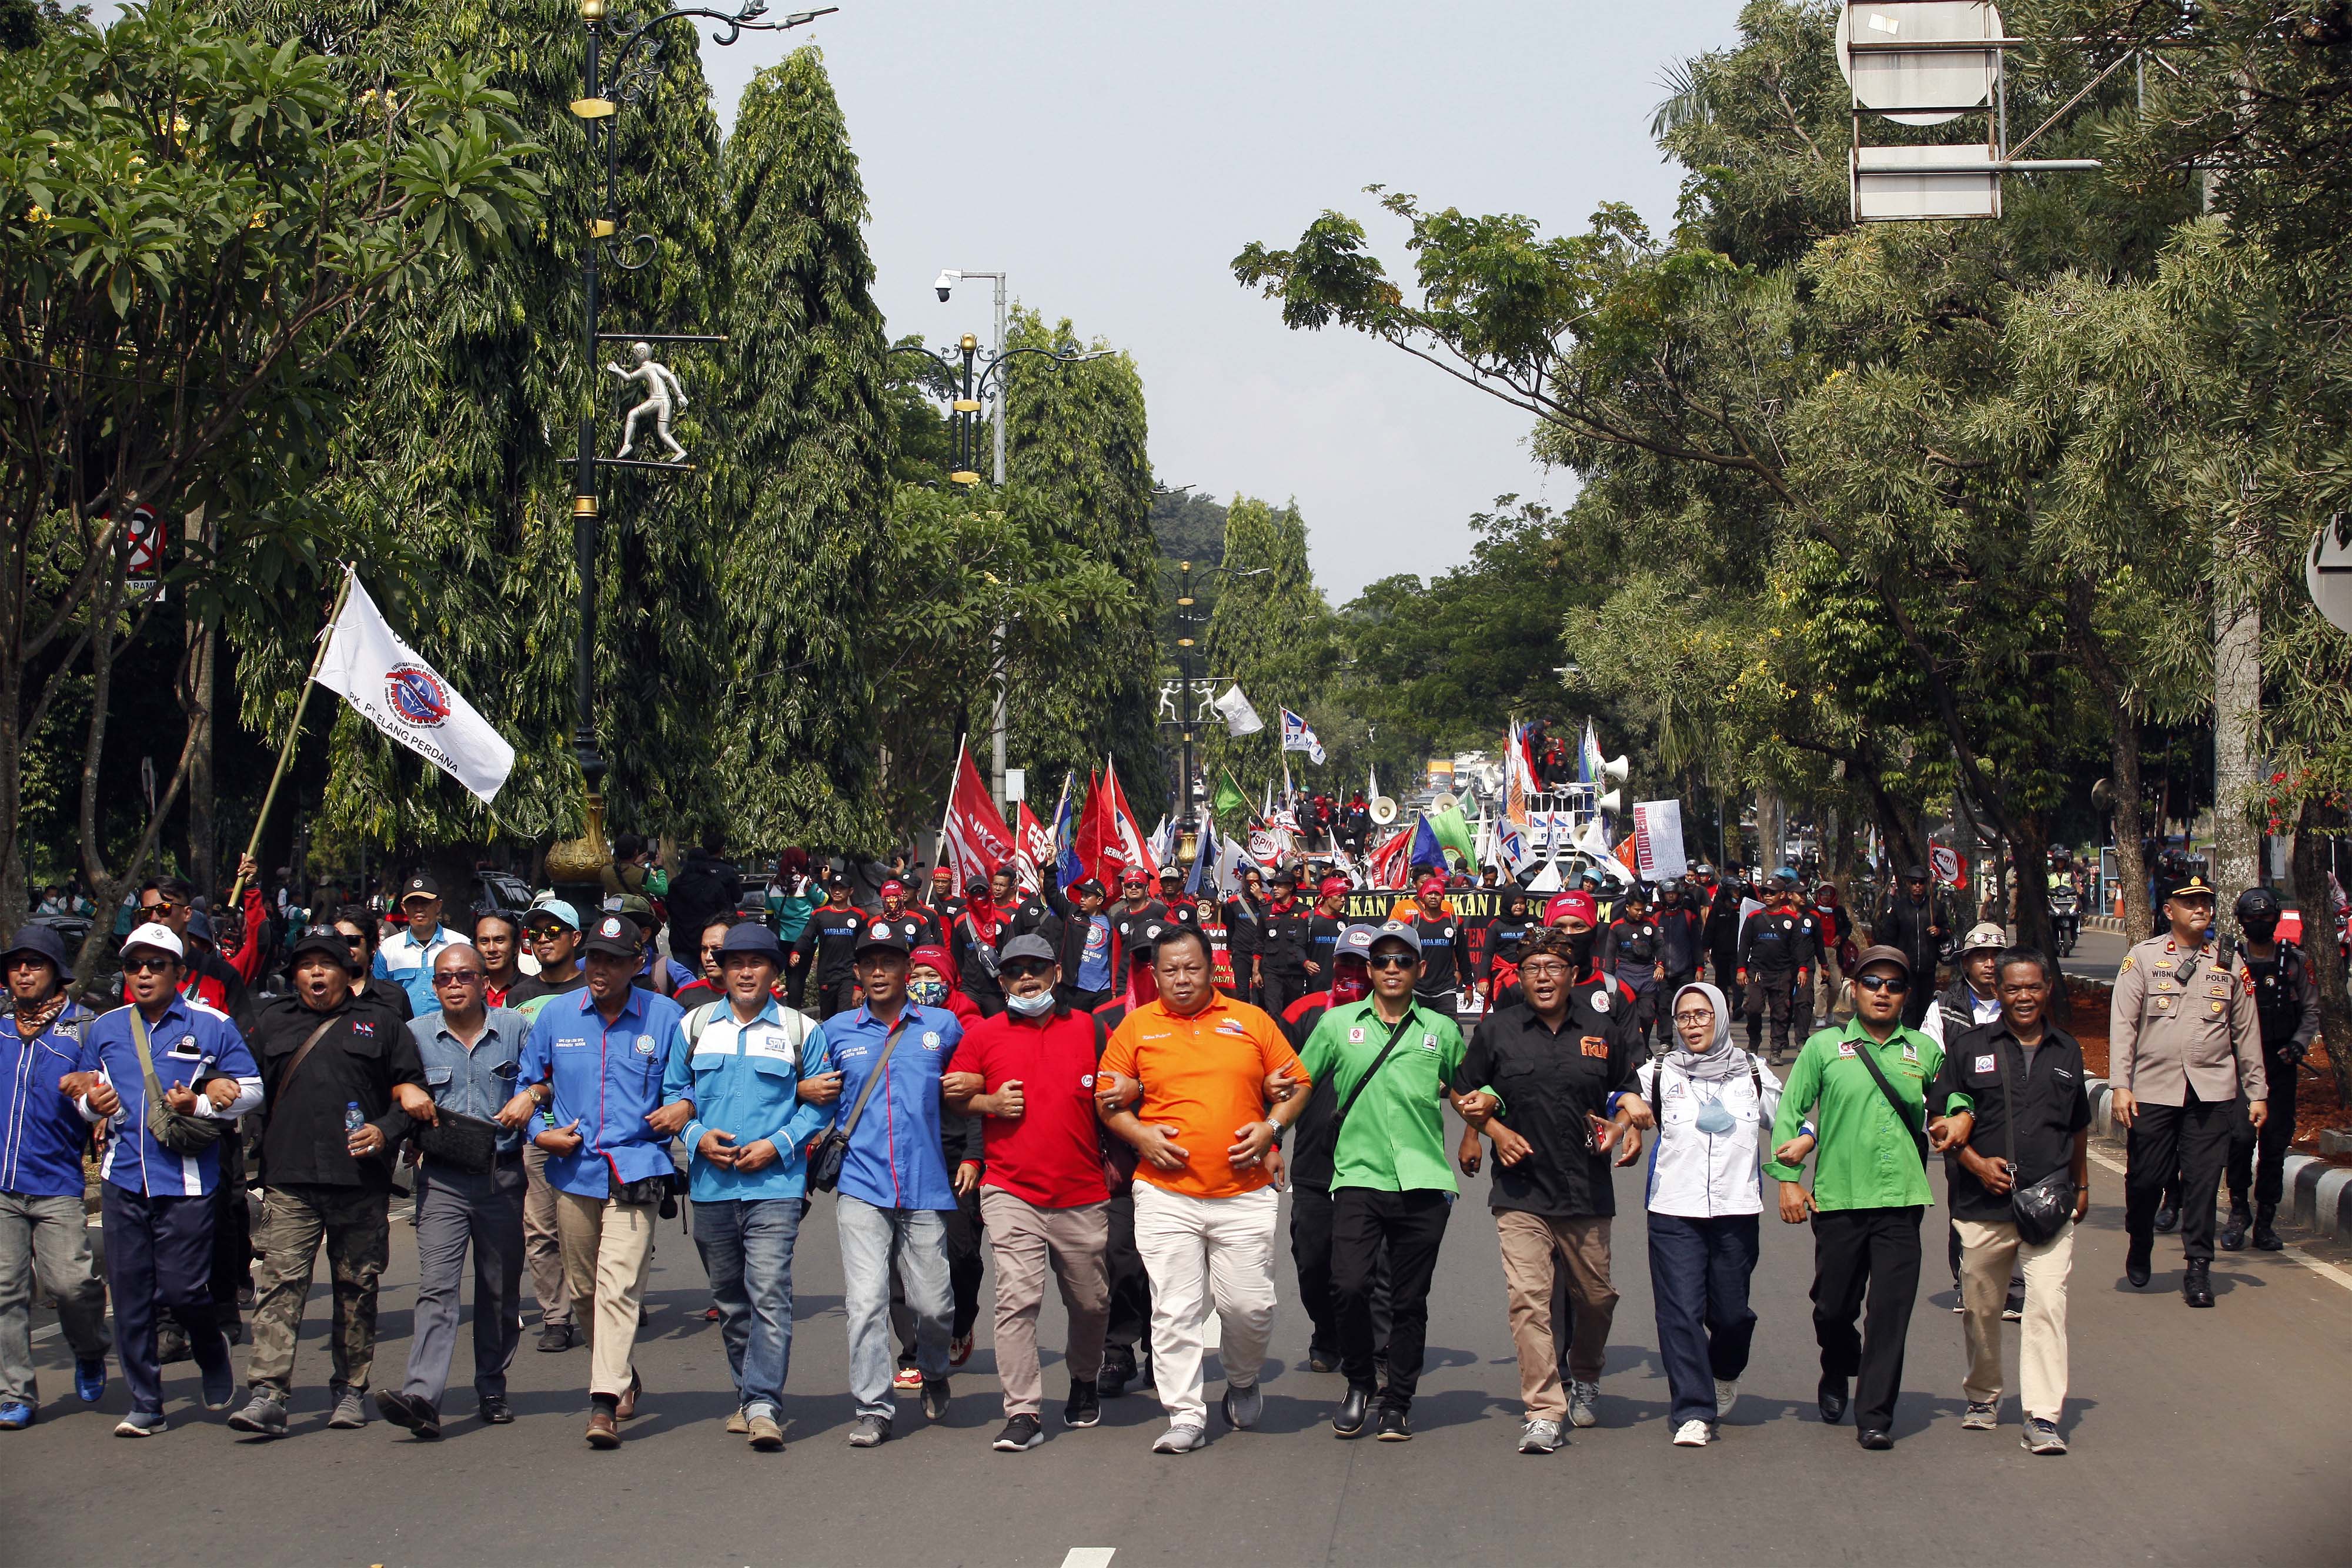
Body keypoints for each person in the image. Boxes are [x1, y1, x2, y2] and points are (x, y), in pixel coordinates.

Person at [1095, 926, 1308, 1453]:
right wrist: (1140, 1132)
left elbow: (1297, 1083)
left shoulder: (1252, 1020)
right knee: (1175, 1307)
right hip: (1166, 1194)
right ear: (1155, 973)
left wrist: (1272, 1129)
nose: (1182, 979)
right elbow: (1107, 1099)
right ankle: (1185, 1413)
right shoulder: (1135, 1027)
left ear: (1211, 968)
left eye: (1192, 968)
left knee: (1249, 1306)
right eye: (1170, 970)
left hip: (1245, 1191)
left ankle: (1241, 1378)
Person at [1448, 925, 1648, 1454]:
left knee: (1597, 1298)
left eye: (1554, 967)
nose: (1543, 977)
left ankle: (1585, 1371)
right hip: (1521, 1191)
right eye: (1533, 967)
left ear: (1573, 976)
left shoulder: (1601, 1029)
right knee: (1529, 1300)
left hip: (1586, 1190)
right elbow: (1464, 1090)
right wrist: (1491, 1132)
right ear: (1521, 975)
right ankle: (1543, 1408)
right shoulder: (1498, 1030)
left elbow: (1625, 1088)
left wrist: (1625, 1123)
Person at [228, 923, 427, 1437]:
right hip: (289, 1180)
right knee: (280, 1286)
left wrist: (385, 1133)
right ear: (294, 974)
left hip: (359, 1182)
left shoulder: (383, 1024)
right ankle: (268, 1393)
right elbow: (245, 1088)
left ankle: (350, 1389)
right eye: (307, 964)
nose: (317, 973)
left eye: (328, 964)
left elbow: (410, 1094)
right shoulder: (270, 1023)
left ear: (348, 971)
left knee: (356, 1287)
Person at [500, 913, 686, 1447]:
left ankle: (602, 1402)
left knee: (619, 1285)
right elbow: (530, 1084)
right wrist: (540, 1132)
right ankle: (621, 1370)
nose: (600, 969)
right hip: (573, 1170)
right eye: (595, 959)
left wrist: (684, 1107)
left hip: (638, 1168)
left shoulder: (666, 1017)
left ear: (636, 964)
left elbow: (688, 1085)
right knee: (583, 1288)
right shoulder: (557, 1016)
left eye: (613, 960)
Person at [71, 922, 262, 1435]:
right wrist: (93, 1104)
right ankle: (147, 1402)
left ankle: (210, 1347)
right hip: (122, 1179)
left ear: (179, 971)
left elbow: (252, 1089)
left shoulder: (212, 1023)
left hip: (188, 1181)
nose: (145, 973)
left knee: (182, 1290)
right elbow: (85, 1097)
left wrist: (199, 1101)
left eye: (157, 964)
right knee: (131, 1297)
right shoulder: (107, 1027)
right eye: (136, 964)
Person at [1765, 944, 1952, 1450]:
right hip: (1839, 1199)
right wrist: (1787, 1177)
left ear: (1906, 995)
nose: (1882, 992)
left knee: (1890, 1313)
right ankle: (1835, 1366)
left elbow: (1954, 1096)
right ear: (1855, 989)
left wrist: (1957, 1116)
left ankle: (1874, 1414)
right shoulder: (1825, 1048)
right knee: (1832, 1308)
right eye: (1873, 983)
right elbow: (1791, 1109)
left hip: (1901, 1199)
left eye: (1893, 985)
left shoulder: (1924, 1052)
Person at [654, 923, 831, 1453]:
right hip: (710, 1187)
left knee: (770, 1292)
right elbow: (674, 1092)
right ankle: (747, 1393)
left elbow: (822, 1101)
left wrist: (778, 1144)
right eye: (736, 962)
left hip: (775, 1185)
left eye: (758, 962)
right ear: (721, 970)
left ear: (776, 972)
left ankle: (763, 1403)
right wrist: (695, 1136)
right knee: (730, 1301)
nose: (746, 971)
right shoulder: (694, 1026)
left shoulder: (802, 1030)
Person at [1292, 922, 1468, 1441]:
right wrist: (1270, 1130)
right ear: (1369, 971)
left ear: (1418, 969)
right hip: (1357, 1175)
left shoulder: (1442, 1030)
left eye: (1403, 960)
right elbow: (1299, 1084)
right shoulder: (1334, 1024)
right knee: (1347, 1285)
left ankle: (1398, 1402)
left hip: (1422, 1180)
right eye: (1383, 961)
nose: (1393, 968)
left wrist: (1483, 1125)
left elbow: (1471, 1088)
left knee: (1408, 1299)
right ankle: (1359, 1381)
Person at [942, 934, 1113, 1451]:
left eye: (1036, 968)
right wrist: (989, 1103)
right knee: (1017, 1299)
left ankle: (1084, 1378)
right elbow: (954, 1094)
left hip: (1082, 1192)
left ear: (1056, 973)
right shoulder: (984, 1035)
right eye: (1015, 971)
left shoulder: (1089, 1028)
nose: (1026, 978)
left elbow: (1118, 1090)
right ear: (1002, 980)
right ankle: (1023, 1411)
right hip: (1011, 1189)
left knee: (1090, 1301)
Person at [1932, 950, 2090, 1455]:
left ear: (2047, 989)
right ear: (1997, 992)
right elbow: (1941, 1120)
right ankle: (1983, 1395)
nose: (2025, 997)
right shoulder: (1968, 1047)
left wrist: (2081, 1186)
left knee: (2047, 1306)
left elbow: (2079, 1125)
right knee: (1981, 1308)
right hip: (1983, 1204)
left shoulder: (2067, 1049)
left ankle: (2042, 1415)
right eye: (2014, 988)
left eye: (2034, 987)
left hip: (2049, 1202)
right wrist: (1976, 1163)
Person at [817, 922, 968, 1446]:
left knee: (935, 1304)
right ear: (857, 972)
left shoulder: (943, 1027)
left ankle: (933, 1368)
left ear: (908, 970)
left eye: (889, 963)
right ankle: (873, 1406)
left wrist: (974, 1144)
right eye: (869, 964)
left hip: (926, 1184)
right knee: (866, 1301)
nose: (879, 972)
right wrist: (801, 1085)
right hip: (861, 1184)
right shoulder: (835, 1031)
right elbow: (809, 1097)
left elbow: (971, 1089)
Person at [377, 943, 533, 1438]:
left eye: (464, 975)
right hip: (441, 1178)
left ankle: (492, 1383)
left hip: (502, 1175)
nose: (454, 984)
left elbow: (545, 1077)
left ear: (483, 979)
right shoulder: (416, 1034)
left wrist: (533, 1094)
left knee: (498, 1289)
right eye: (444, 977)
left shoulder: (515, 1029)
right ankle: (423, 1394)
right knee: (437, 1287)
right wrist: (406, 1090)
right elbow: (390, 1084)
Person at [1636, 981, 1782, 1447]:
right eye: (1684, 1016)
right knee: (1679, 1311)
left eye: (1702, 1014)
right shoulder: (1659, 1071)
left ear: (1720, 1016)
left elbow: (1793, 1117)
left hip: (1737, 1208)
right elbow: (1618, 1100)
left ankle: (1725, 1368)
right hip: (1673, 1209)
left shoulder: (1753, 1072)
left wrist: (1803, 1144)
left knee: (1732, 1314)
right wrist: (1623, 1112)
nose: (1693, 1024)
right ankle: (1693, 1410)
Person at [2110, 876, 2266, 1308]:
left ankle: (2198, 1266)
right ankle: (2139, 1238)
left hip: (2211, 1090)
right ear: (2170, 910)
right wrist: (2121, 1085)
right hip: (2154, 1088)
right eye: (2190, 901)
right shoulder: (2142, 959)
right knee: (2145, 1179)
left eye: (2207, 902)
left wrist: (2257, 1091)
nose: (2201, 908)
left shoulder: (2230, 962)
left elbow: (2246, 1031)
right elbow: (2123, 1026)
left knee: (2201, 1182)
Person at [0, 925, 109, 1427]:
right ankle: (16, 1392)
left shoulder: (83, 1029)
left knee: (71, 1286)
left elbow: (101, 1098)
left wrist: (94, 1091)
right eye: (17, 963)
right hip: (3, 1186)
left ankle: (89, 1349)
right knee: (5, 1291)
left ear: (55, 972)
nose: (24, 971)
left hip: (59, 1184)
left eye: (35, 963)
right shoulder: (0, 1026)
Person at [1278, 924, 1378, 1373]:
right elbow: (1275, 1085)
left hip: (1374, 1164)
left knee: (1368, 1266)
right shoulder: (1304, 1011)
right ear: (1334, 963)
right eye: (1347, 963)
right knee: (1312, 1259)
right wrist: (1271, 1141)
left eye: (1363, 964)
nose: (1353, 972)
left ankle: (1374, 1344)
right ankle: (1327, 1328)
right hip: (1314, 1162)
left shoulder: (1394, 1016)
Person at [1922, 922, 2017, 1315]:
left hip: (2009, 1117)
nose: (1990, 964)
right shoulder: (1944, 1006)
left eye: (1997, 956)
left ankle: (2012, 1285)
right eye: (1981, 956)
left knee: (2014, 1195)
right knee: (1964, 1199)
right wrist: (1940, 1116)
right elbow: (1929, 1064)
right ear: (1966, 962)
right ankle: (1965, 1278)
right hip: (1959, 1118)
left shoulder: (2019, 1002)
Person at [505, 900, 584, 1353]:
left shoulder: (593, 987)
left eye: (555, 929)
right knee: (540, 1228)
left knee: (589, 1224)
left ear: (575, 938)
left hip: (586, 1127)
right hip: (537, 1130)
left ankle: (600, 1298)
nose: (544, 938)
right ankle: (556, 1315)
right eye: (536, 932)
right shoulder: (520, 995)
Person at [2224, 886, 2316, 1252]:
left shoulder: (2294, 961)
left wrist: (2299, 1043)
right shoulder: (2228, 961)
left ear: (2277, 919)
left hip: (2280, 1063)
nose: (2258, 924)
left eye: (2265, 917)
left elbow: (2311, 1010)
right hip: (2240, 1068)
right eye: (2251, 918)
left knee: (2275, 1142)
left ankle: (2265, 1220)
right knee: (2240, 1138)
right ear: (2241, 922)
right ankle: (2238, 1211)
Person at [1736, 871, 1816, 1063]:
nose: (1767, 896)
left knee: (1781, 1013)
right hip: (1757, 973)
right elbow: (1744, 944)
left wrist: (1803, 969)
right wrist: (1741, 970)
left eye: (1772, 892)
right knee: (1754, 1008)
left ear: (1782, 895)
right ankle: (1754, 1040)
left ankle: (1776, 1049)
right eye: (1765, 892)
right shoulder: (1754, 917)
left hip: (1783, 973)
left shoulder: (1792, 919)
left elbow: (1799, 948)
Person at [374, 874, 462, 1017]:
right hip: (403, 1034)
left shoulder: (460, 945)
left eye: (425, 903)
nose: (419, 909)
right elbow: (378, 1000)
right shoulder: (388, 949)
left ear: (438, 905)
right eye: (413, 903)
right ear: (403, 907)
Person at [1873, 867, 1949, 1029]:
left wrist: (1939, 931)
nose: (1918, 886)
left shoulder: (1935, 907)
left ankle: (1923, 1039)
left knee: (1925, 1005)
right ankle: (1907, 1038)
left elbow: (1948, 931)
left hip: (1928, 966)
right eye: (1914, 882)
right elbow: (1889, 937)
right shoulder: (1899, 908)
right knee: (1909, 1004)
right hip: (1907, 967)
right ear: (1908, 884)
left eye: (1921, 882)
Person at [666, 831, 743, 969]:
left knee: (685, 982)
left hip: (681, 942)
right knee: (715, 980)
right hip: (708, 941)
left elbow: (670, 910)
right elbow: (725, 911)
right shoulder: (715, 884)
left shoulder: (675, 885)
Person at [1600, 886, 1666, 1044]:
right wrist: (1608, 979)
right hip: (1625, 974)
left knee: (1647, 1014)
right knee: (1624, 1013)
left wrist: (1660, 966)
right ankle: (1627, 1045)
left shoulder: (1651, 925)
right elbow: (1610, 954)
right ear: (1628, 908)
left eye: (1642, 910)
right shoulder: (1617, 927)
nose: (1640, 913)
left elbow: (1660, 946)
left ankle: (1644, 1045)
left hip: (1647, 975)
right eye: (1637, 910)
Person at [793, 875, 866, 1019]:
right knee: (828, 1019)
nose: (837, 892)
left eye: (842, 889)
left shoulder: (860, 916)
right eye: (834, 888)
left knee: (845, 1018)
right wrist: (796, 951)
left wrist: (859, 985)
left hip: (848, 976)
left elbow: (865, 950)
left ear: (851, 891)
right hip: (827, 976)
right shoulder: (819, 915)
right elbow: (807, 937)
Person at [1398, 875, 1467, 1018]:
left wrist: (1470, 987)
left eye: (1437, 894)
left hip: (1445, 990)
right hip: (1417, 990)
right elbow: (1403, 955)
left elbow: (1463, 956)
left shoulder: (1455, 922)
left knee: (1451, 1030)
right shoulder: (1412, 922)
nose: (1434, 897)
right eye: (1430, 893)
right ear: (1423, 896)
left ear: (1443, 897)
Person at [1256, 870, 1315, 1022]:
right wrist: (1256, 971)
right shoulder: (1265, 911)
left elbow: (1307, 944)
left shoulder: (1304, 912)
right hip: (1272, 971)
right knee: (1274, 1012)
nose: (1275, 888)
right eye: (1274, 885)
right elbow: (1259, 943)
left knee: (1293, 1013)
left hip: (1295, 972)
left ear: (1290, 887)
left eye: (1280, 885)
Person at [1652, 882, 1705, 1044]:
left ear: (1679, 895)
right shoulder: (1657, 918)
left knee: (1686, 1007)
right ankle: (1665, 1041)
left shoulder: (1689, 916)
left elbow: (1696, 944)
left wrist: (1700, 967)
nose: (1670, 897)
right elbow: (1653, 945)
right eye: (1667, 894)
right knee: (1663, 1007)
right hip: (1663, 972)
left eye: (1673, 894)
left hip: (1685, 970)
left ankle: (1688, 1039)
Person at [1057, 879, 1115, 1012]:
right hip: (1074, 988)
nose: (1082, 899)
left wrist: (1114, 990)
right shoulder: (1073, 915)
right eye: (1082, 895)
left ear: (1099, 901)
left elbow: (1115, 957)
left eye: (1087, 896)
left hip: (1101, 991)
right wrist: (1050, 867)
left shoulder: (1112, 924)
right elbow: (1053, 895)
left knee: (1098, 1030)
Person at [1224, 868, 1267, 1004]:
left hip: (1262, 953)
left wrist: (1261, 899)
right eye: (1249, 881)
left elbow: (1270, 919)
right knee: (1242, 993)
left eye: (1256, 881)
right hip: (1241, 952)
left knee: (1260, 992)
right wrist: (1230, 951)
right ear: (1244, 882)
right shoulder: (1233, 902)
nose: (1252, 884)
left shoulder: (1268, 900)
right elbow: (1230, 928)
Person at [1703, 865, 1749, 992]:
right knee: (1721, 983)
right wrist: (1706, 949)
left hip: (1738, 952)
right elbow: (1709, 929)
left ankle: (1738, 1009)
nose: (1737, 893)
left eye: (1738, 890)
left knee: (1738, 984)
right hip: (1720, 953)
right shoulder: (1718, 909)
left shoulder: (1743, 908)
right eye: (1734, 890)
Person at [472, 911, 526, 1009]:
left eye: (499, 940)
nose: (491, 949)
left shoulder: (533, 990)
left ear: (516, 946)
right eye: (484, 941)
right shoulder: (469, 990)